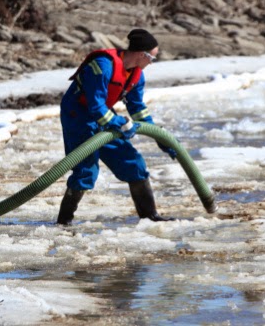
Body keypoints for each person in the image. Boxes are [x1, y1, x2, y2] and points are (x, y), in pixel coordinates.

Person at [57, 29, 177, 225]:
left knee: (134, 164)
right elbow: (95, 107)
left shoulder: (137, 76)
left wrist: (161, 138)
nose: (151, 63)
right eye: (152, 58)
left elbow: (138, 109)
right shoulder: (102, 66)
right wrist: (119, 122)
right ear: (141, 55)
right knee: (86, 171)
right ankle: (63, 222)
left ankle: (150, 217)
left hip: (103, 116)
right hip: (78, 116)